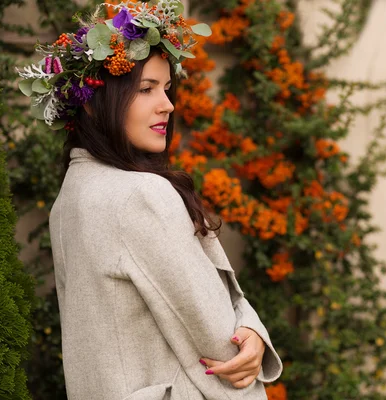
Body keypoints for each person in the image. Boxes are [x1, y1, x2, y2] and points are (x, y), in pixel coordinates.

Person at [17, 1, 282, 399]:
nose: (168, 105)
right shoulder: (139, 195)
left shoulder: (69, 201)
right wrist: (250, 335)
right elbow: (223, 344)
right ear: (91, 101)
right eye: (145, 89)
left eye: (166, 88)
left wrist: (250, 328)